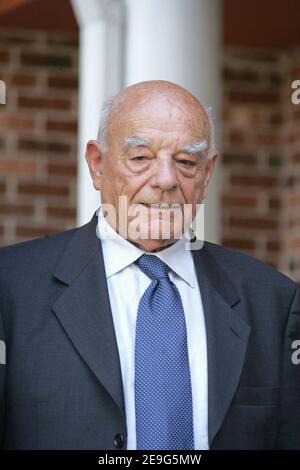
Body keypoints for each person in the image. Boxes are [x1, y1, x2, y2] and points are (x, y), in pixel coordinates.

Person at [0, 80, 299, 450]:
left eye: (186, 162)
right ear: (97, 164)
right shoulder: (10, 288)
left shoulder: (274, 301)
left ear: (207, 174)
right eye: (140, 158)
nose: (165, 181)